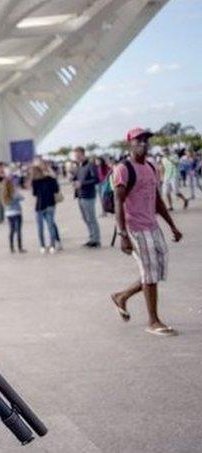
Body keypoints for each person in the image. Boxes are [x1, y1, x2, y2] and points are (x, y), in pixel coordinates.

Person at [109, 128, 184, 336]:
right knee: (150, 273)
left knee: (157, 271)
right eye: (138, 140)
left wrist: (172, 226)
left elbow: (158, 200)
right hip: (135, 229)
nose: (143, 143)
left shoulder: (150, 167)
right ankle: (153, 320)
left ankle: (122, 296)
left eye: (146, 140)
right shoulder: (124, 169)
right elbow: (118, 201)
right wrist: (123, 234)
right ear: (130, 143)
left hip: (152, 226)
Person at [71, 147, 101, 247]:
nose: (76, 158)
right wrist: (74, 181)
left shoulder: (90, 165)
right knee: (85, 218)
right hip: (80, 196)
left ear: (83, 154)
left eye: (78, 156)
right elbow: (76, 178)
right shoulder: (78, 166)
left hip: (89, 196)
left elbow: (96, 179)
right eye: (75, 156)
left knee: (91, 218)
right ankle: (91, 237)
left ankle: (96, 240)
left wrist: (82, 184)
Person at [30, 162, 62, 253]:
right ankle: (52, 245)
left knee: (40, 227)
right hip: (50, 204)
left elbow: (34, 194)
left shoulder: (35, 181)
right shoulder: (50, 179)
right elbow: (56, 189)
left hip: (40, 206)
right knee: (51, 225)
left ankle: (42, 246)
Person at [0, 177, 26, 253]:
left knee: (11, 230)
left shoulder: (3, 194)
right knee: (18, 230)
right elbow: (22, 198)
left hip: (8, 213)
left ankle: (11, 248)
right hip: (17, 212)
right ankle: (20, 248)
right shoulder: (14, 193)